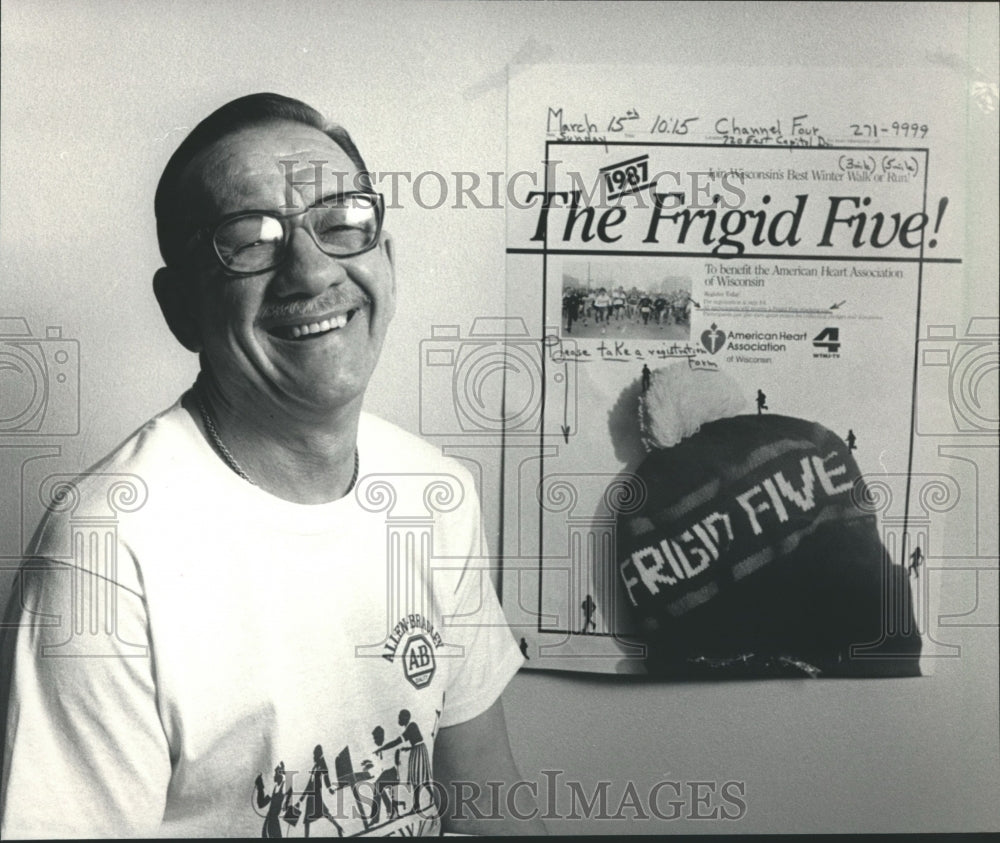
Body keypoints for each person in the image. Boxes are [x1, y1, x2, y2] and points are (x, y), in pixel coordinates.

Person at [0, 93, 542, 837]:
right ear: (180, 307)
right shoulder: (105, 555)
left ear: (386, 257)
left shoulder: (435, 492)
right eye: (248, 239)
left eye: (342, 221)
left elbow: (490, 808)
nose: (313, 270)